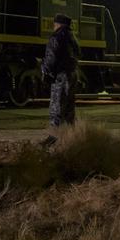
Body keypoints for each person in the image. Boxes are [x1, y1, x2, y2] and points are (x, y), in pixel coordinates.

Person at [40, 13, 80, 147]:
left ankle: (54, 137)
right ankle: (70, 136)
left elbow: (51, 57)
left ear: (57, 24)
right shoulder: (72, 38)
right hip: (72, 74)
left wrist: (45, 70)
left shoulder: (57, 37)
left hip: (61, 76)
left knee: (56, 107)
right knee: (69, 107)